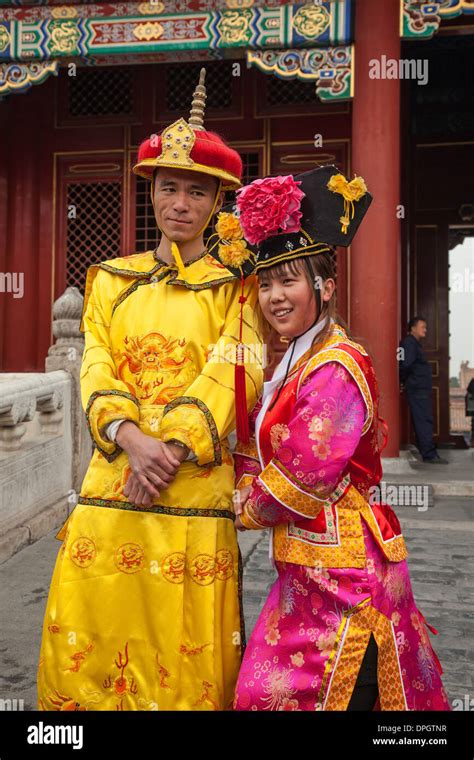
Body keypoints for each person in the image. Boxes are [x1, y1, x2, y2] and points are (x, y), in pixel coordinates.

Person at [37, 69, 263, 711]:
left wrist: (169, 449)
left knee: (183, 645)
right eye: (169, 188)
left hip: (190, 484)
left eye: (196, 191)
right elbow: (97, 364)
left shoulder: (236, 289)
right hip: (116, 480)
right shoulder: (109, 279)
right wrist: (133, 441)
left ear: (216, 203)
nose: (180, 204)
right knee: (93, 632)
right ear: (153, 196)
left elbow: (233, 370)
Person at [230, 166, 450, 711]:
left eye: (290, 281)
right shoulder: (296, 361)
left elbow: (305, 472)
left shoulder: (338, 366)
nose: (275, 296)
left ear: (325, 287)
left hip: (345, 574)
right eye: (266, 283)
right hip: (309, 568)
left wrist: (242, 505)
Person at [399, 317, 447, 463]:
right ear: (413, 328)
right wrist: (404, 380)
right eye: (422, 327)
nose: (425, 330)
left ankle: (428, 451)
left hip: (420, 388)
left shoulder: (414, 344)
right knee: (423, 420)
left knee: (425, 419)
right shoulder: (408, 343)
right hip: (417, 388)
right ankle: (429, 454)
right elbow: (405, 365)